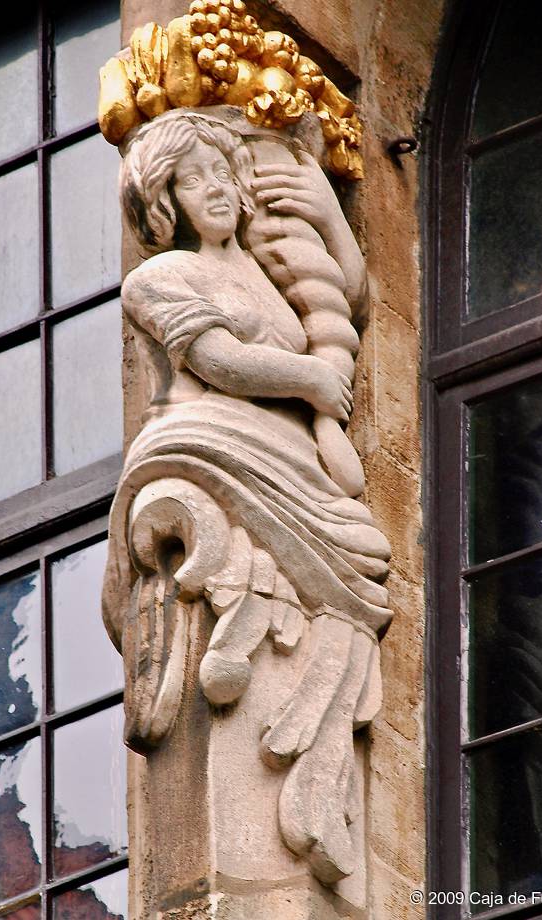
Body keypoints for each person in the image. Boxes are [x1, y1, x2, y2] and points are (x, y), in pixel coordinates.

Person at [105, 108, 391, 640]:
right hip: (223, 441)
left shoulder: (258, 265)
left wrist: (329, 218)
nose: (213, 189)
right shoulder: (160, 276)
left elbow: (341, 302)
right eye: (190, 180)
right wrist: (310, 380)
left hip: (297, 456)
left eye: (219, 172)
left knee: (366, 554)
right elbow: (218, 361)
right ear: (165, 202)